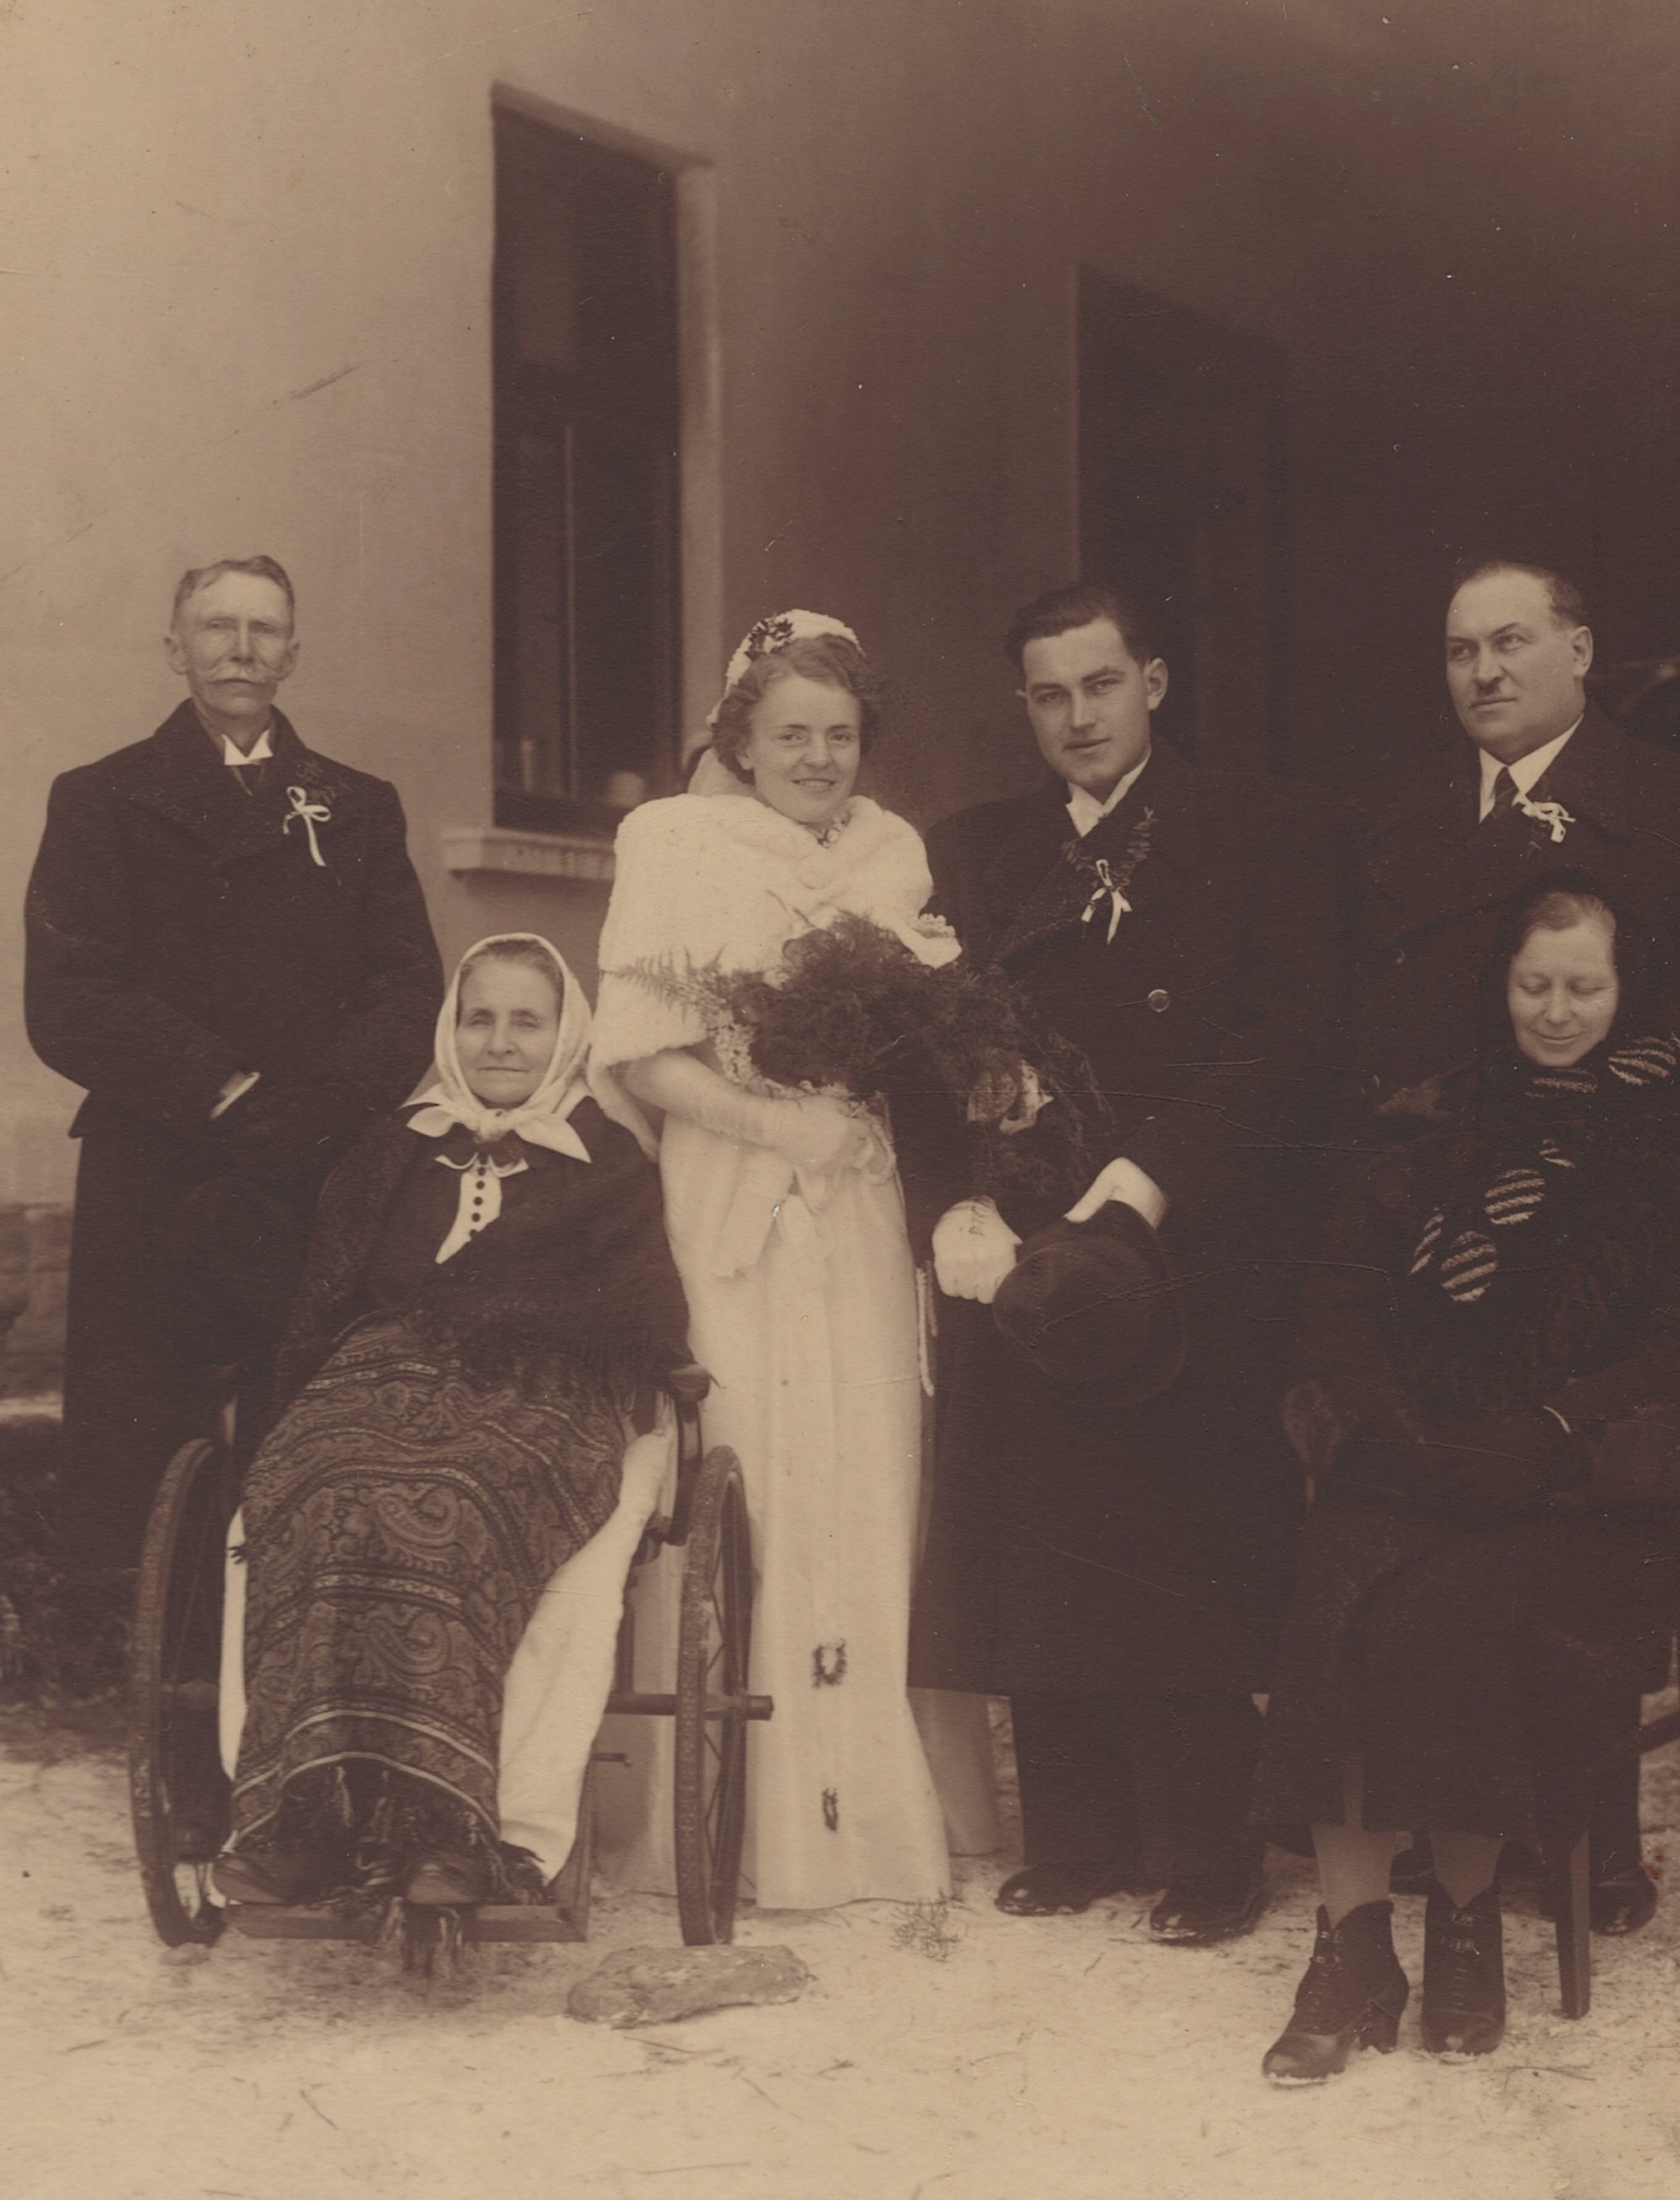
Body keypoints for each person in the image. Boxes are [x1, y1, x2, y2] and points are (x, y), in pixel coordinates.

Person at [1346, 556, 1680, 1933]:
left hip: (1629, 1226)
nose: (1483, 672)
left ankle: (1590, 1833)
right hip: (1453, 1219)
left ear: (1581, 652)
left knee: (1566, 1476)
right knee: (1422, 1472)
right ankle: (1452, 1816)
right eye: (1459, 651)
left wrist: (1618, 1097)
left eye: (1511, 643)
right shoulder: (1401, 816)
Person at [903, 582, 1348, 1946]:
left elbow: (1287, 1043)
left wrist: (1145, 1184)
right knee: (1042, 1527)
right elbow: (915, 1051)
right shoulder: (975, 852)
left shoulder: (1262, 830)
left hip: (1193, 1230)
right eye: (1048, 695)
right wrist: (953, 1203)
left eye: (1100, 685)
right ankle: (1077, 1837)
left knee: (1176, 1538)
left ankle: (1210, 1848)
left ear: (1152, 683)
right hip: (1028, 1243)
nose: (1077, 717)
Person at [1255, 878, 1680, 2079]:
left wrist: (1552, 1425)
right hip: (1427, 1453)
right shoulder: (1435, 1119)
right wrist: (1387, 1428)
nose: (1556, 1011)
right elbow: (1340, 1301)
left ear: (1627, 990)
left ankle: (1465, 1921)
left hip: (1590, 1484)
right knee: (1337, 1568)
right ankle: (1352, 1945)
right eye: (1534, 985)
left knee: (1456, 1596)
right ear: (1502, 987)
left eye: (1584, 986)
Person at [589, 611, 989, 1910]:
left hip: (858, 1194)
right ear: (741, 741)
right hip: (732, 1191)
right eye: (790, 734)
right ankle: (734, 1823)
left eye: (840, 733)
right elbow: (639, 1052)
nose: (818, 758)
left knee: (869, 1475)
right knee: (746, 1471)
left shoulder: (893, 850)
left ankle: (862, 1822)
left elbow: (917, 1037)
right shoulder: (669, 839)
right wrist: (773, 1124)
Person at [213, 934, 689, 1909]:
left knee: (457, 1501)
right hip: (379, 1376)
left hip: (542, 1392)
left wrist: (500, 1313)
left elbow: (639, 1312)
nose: (500, 1042)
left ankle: (449, 1832)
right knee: (323, 1485)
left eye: (527, 1021)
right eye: (480, 1019)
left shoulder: (607, 1159)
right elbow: (331, 1297)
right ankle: (307, 1822)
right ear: (450, 1030)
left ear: (566, 1034)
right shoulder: (394, 1147)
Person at [24, 556, 442, 1585]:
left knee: (300, 1417)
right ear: (176, 648)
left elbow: (406, 987)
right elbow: (70, 995)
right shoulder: (101, 798)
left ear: (292, 654)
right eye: (218, 628)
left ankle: (293, 1640)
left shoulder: (356, 805)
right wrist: (224, 1087)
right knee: (146, 1441)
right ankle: (143, 1656)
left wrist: (328, 1106)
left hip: (312, 1162)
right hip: (157, 1154)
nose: (241, 650)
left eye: (264, 631)